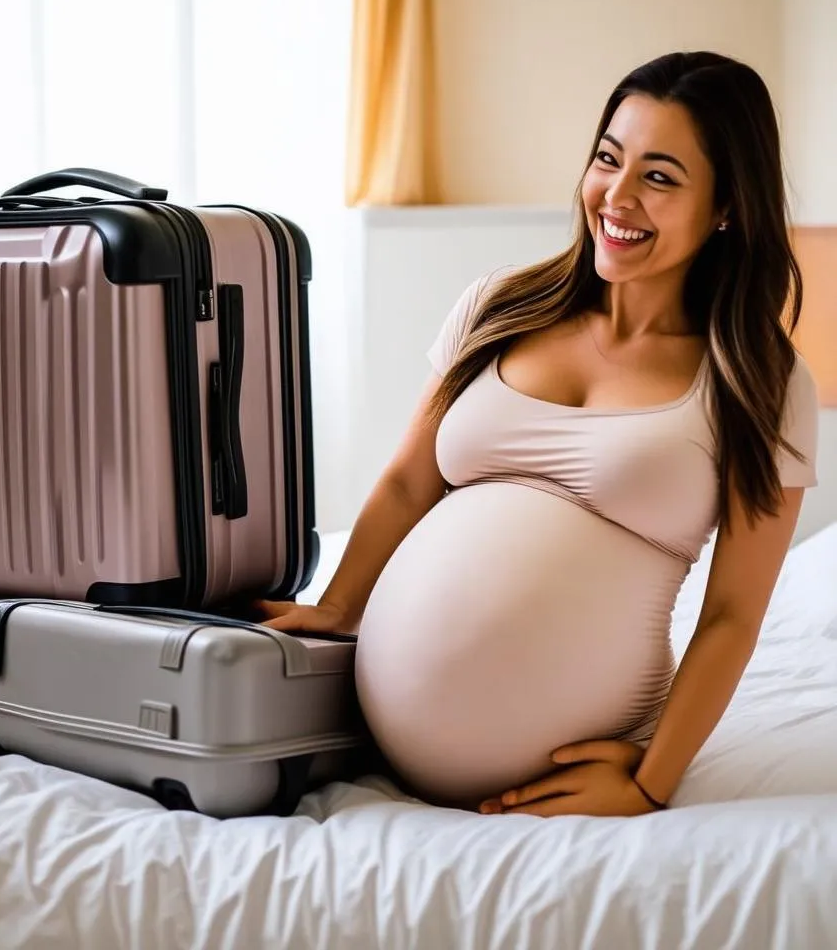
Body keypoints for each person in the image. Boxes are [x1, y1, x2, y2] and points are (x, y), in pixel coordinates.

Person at [254, 51, 820, 818]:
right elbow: (408, 482)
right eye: (607, 160)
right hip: (366, 729)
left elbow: (731, 617)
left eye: (659, 177)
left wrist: (651, 782)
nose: (616, 197)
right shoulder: (500, 303)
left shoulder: (760, 380)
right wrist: (339, 603)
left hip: (566, 762)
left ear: (726, 206)